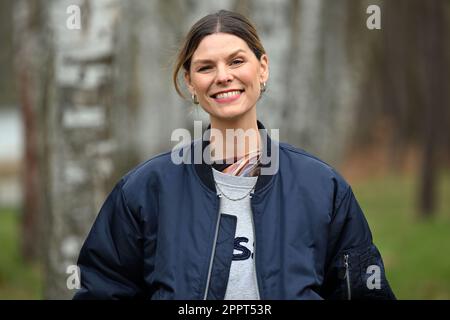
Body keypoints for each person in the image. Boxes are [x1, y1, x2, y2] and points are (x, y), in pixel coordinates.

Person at [73, 9, 396, 300]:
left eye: (237, 61)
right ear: (190, 83)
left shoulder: (322, 187)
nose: (223, 76)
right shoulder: (145, 190)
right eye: (205, 67)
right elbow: (103, 289)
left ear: (263, 68)